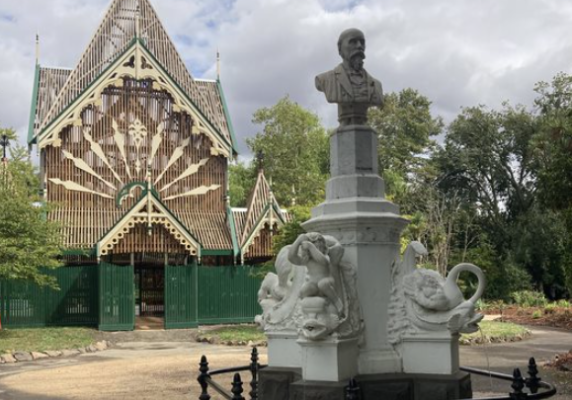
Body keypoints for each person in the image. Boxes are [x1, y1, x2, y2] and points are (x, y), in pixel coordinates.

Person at [315, 28, 383, 125]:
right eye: (353, 42)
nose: (359, 46)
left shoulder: (376, 85)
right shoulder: (326, 79)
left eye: (362, 42)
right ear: (340, 48)